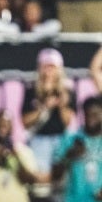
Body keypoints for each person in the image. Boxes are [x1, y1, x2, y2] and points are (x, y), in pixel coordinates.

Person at [21, 48, 76, 177]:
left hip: (61, 138)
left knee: (63, 175)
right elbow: (25, 122)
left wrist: (62, 104)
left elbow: (67, 121)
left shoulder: (67, 90)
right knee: (41, 175)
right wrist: (44, 108)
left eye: (52, 67)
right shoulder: (31, 90)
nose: (49, 71)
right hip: (40, 140)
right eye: (46, 67)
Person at [51, 95, 102, 202]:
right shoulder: (71, 139)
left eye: (95, 114)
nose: (91, 119)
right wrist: (68, 156)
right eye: (87, 115)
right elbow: (55, 175)